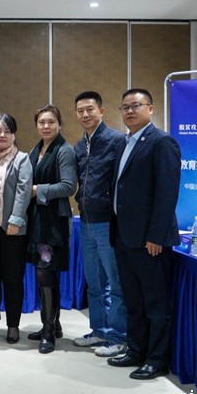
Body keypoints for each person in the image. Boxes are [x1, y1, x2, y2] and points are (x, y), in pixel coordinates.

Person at [107, 88, 181, 380]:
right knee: (134, 301)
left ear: (150, 108)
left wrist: (157, 236)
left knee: (155, 303)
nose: (129, 111)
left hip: (150, 241)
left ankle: (157, 359)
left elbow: (167, 193)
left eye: (135, 105)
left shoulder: (162, 142)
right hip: (124, 237)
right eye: (124, 107)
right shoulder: (124, 143)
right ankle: (136, 350)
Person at [72, 91, 128, 357]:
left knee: (115, 284)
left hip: (108, 223)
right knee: (94, 283)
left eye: (90, 109)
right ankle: (99, 331)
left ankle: (119, 336)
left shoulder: (117, 141)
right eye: (80, 110)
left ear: (101, 111)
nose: (85, 114)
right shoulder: (78, 146)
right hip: (85, 222)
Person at [26, 104, 77, 354]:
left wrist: (38, 190)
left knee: (45, 274)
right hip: (37, 220)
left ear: (59, 124)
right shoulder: (37, 149)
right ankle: (53, 325)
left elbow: (69, 186)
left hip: (53, 222)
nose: (46, 126)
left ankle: (49, 333)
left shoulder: (64, 150)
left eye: (51, 122)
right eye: (41, 122)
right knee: (43, 273)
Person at [0, 113, 32, 344]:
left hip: (12, 230)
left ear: (14, 135)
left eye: (7, 131)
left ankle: (13, 325)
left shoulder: (22, 159)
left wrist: (15, 220)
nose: (2, 135)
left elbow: (24, 191)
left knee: (13, 280)